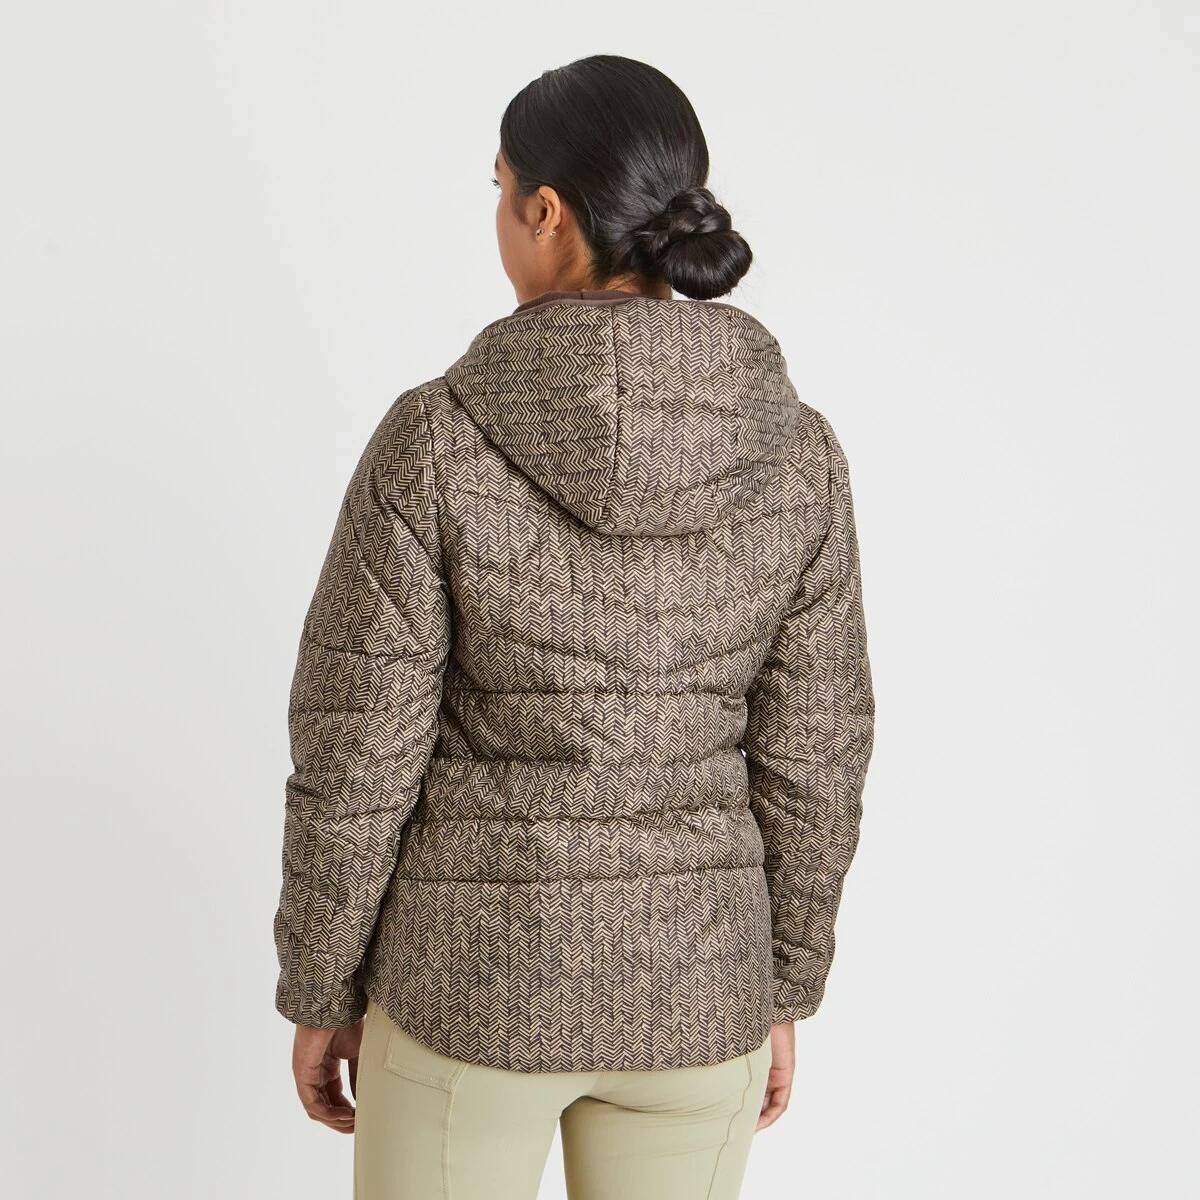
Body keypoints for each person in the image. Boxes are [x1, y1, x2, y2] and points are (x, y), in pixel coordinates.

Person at [272, 53, 876, 1200]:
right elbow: (818, 751)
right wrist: (782, 984)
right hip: (698, 989)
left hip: (467, 998)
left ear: (545, 211)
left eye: (500, 189)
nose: (499, 215)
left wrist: (320, 983)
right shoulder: (799, 455)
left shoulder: (434, 439)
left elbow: (357, 751)